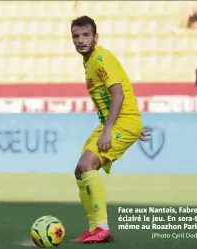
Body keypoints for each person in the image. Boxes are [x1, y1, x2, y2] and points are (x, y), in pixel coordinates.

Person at [70, 16, 151, 244]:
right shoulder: (89, 61)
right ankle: (95, 227)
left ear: (96, 37)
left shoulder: (101, 58)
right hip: (119, 121)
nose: (80, 40)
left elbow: (118, 93)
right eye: (76, 36)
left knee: (87, 165)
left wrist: (111, 129)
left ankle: (101, 228)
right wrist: (131, 126)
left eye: (86, 35)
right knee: (80, 170)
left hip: (118, 122)